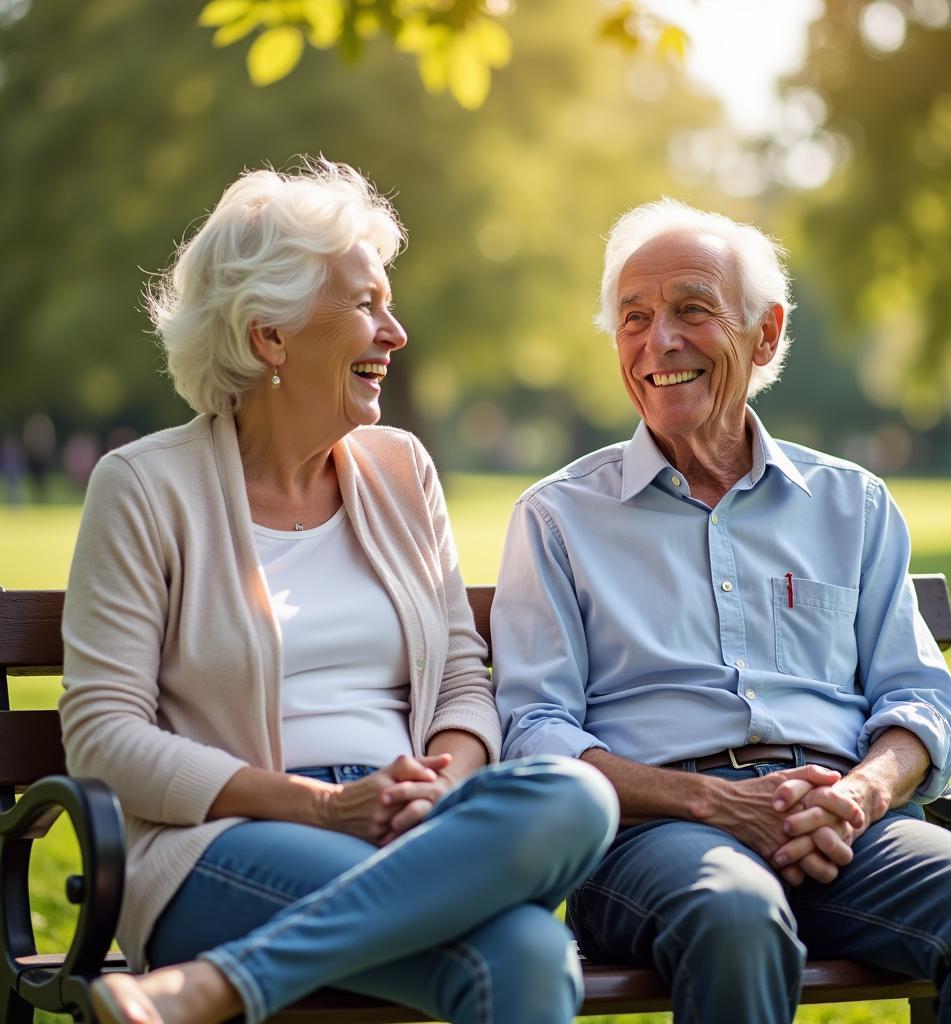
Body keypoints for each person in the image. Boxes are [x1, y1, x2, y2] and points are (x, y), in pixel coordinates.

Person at [60, 159, 618, 1024]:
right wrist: (322, 808)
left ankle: (217, 988)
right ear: (269, 337)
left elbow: (465, 681)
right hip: (226, 842)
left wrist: (440, 784)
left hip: (420, 821)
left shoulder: (402, 467)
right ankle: (206, 972)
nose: (395, 332)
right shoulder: (143, 486)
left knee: (578, 797)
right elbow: (102, 738)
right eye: (365, 305)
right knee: (531, 949)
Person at [492, 198, 951, 1023]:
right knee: (737, 911)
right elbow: (536, 733)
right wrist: (713, 803)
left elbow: (915, 696)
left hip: (840, 824)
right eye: (634, 319)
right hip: (648, 840)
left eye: (692, 311)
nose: (658, 341)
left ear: (766, 334)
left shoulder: (853, 503)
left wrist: (859, 795)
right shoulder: (559, 517)